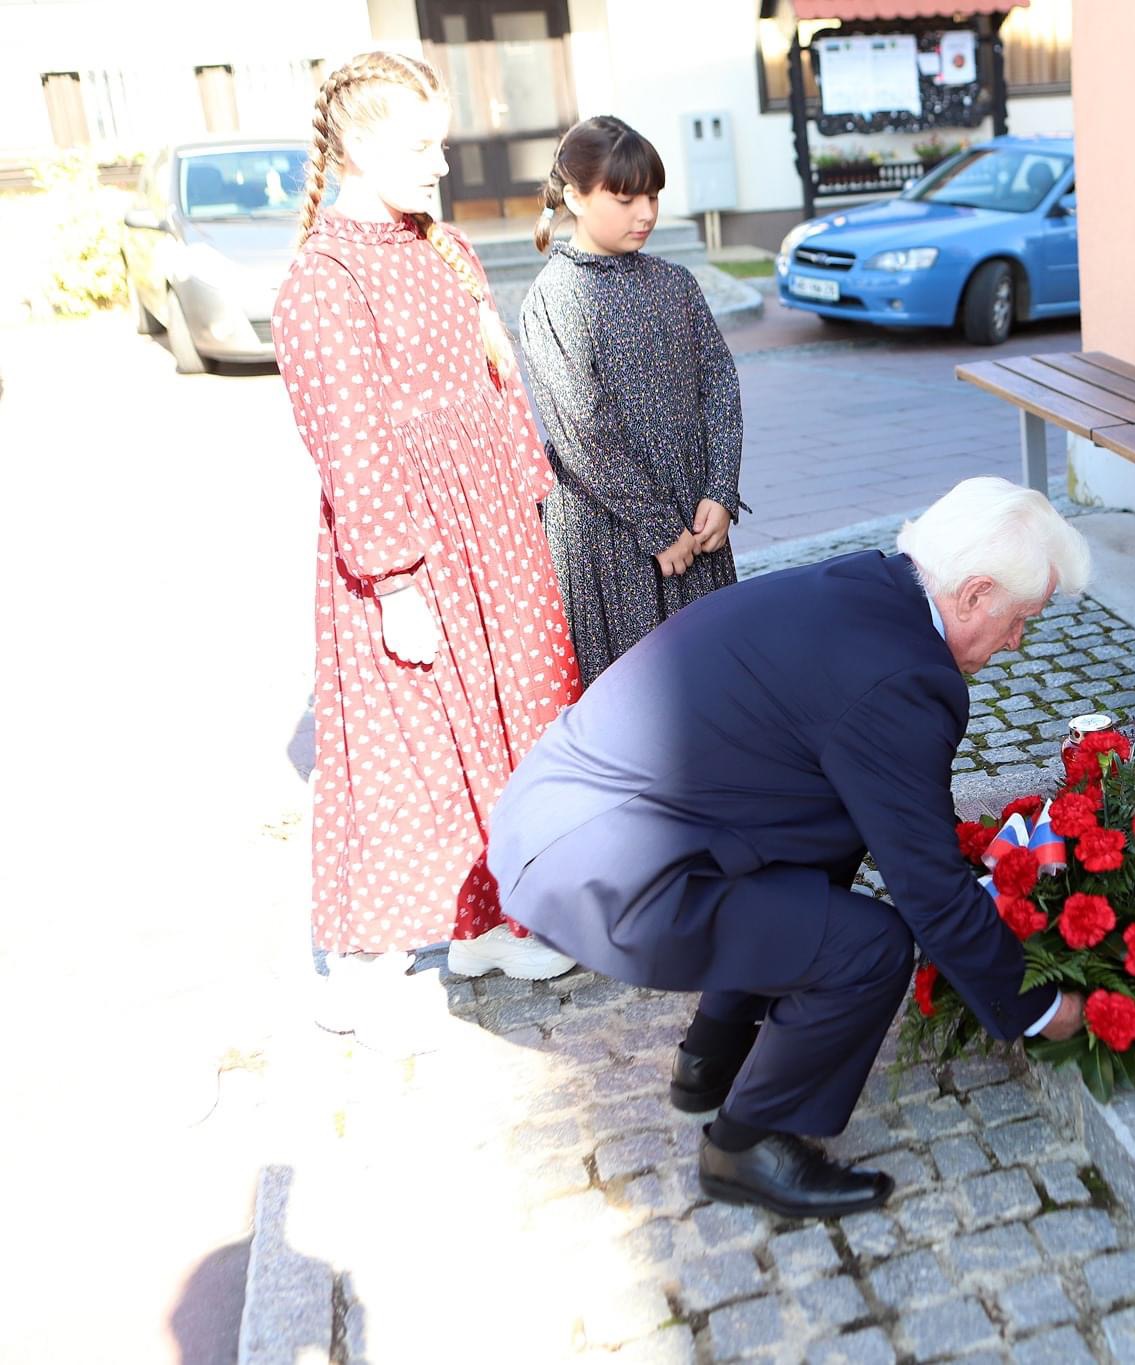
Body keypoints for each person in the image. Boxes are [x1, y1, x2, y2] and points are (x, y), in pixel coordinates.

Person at [487, 478, 1090, 1218]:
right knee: (867, 948)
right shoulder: (906, 674)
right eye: (1019, 619)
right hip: (599, 869)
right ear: (973, 594)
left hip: (563, 817)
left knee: (823, 837)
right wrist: (1036, 1006)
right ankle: (746, 1144)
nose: (1018, 641)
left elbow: (868, 819)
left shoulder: (868, 587)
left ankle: (707, 1061)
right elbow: (927, 888)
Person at [272, 51, 582, 1007]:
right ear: (359, 145)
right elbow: (350, 440)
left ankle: (489, 924)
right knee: (415, 748)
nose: (441, 164)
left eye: (439, 143)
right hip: (414, 548)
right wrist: (396, 580)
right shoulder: (325, 279)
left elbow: (498, 376)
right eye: (420, 146)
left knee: (510, 724)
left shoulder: (437, 245)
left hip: (493, 533)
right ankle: (366, 970)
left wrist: (527, 499)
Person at [519, 115, 745, 680]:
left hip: (697, 519)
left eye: (652, 196)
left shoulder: (674, 281)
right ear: (575, 195)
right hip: (613, 535)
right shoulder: (554, 299)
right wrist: (656, 526)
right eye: (624, 198)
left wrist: (720, 492)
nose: (645, 213)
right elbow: (581, 432)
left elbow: (719, 382)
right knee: (637, 695)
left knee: (714, 682)